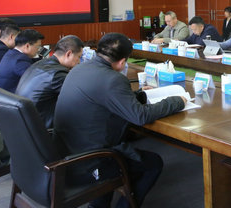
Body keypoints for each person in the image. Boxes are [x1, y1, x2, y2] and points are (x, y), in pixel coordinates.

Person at [54, 33, 186, 208]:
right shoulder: (114, 79)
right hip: (90, 160)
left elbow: (105, 96)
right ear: (123, 62)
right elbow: (140, 116)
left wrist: (139, 95)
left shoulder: (79, 69)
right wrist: (177, 101)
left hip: (66, 151)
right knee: (153, 163)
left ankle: (99, 204)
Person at [15, 35, 84, 128]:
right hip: (41, 129)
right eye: (79, 57)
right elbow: (81, 98)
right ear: (68, 54)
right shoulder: (57, 74)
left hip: (24, 124)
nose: (79, 62)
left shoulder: (40, 63)